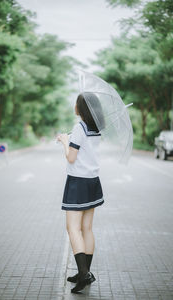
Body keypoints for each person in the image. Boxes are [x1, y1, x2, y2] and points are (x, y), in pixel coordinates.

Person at [57, 92, 105, 293]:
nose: (74, 106)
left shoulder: (79, 127)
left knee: (73, 229)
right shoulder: (96, 128)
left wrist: (64, 141)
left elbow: (71, 158)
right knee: (87, 228)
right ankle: (83, 271)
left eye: (76, 103)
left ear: (80, 108)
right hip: (93, 182)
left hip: (78, 182)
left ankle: (84, 274)